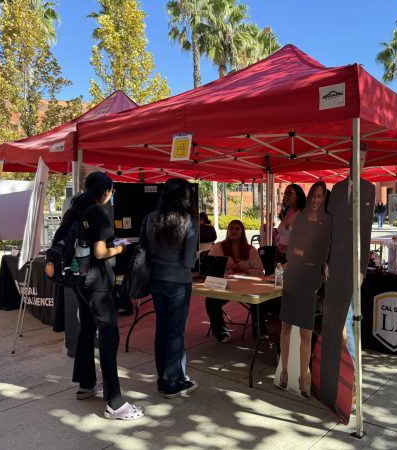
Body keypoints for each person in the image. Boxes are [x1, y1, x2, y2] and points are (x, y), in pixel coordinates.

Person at [57, 172, 143, 420]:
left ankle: (86, 384)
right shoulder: (98, 213)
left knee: (86, 330)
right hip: (99, 284)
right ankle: (115, 404)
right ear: (106, 191)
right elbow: (100, 251)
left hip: (81, 281)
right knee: (109, 338)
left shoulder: (76, 209)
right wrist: (120, 246)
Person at [319, 143, 375, 412]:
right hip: (335, 264)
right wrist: (325, 260)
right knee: (333, 320)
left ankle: (351, 384)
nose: (360, 162)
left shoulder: (369, 189)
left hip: (354, 264)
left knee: (350, 319)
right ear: (349, 159)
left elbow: (365, 232)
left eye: (363, 158)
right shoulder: (337, 190)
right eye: (356, 157)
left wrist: (363, 267)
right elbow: (329, 228)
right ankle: (333, 378)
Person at [143, 178, 198, 398]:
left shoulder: (150, 219)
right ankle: (171, 381)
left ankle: (162, 378)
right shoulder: (188, 222)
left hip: (156, 280)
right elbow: (188, 261)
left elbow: (145, 250)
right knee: (176, 333)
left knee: (162, 329)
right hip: (179, 282)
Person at [278, 181, 332, 398]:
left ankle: (303, 376)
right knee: (286, 326)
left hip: (309, 278)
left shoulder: (327, 221)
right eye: (314, 195)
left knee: (306, 332)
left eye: (321, 196)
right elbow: (290, 248)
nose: (317, 199)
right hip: (293, 276)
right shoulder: (300, 218)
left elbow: (322, 252)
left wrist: (304, 254)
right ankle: (284, 371)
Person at [205, 220, 264, 342]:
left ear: (242, 232)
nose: (234, 231)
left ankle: (260, 332)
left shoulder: (251, 250)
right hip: (225, 286)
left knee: (257, 302)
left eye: (237, 228)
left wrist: (244, 269)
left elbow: (260, 272)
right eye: (231, 228)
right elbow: (208, 267)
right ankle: (221, 332)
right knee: (211, 301)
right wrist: (226, 267)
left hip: (247, 287)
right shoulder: (218, 247)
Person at [276, 184, 306, 263]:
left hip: (293, 256)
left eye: (289, 192)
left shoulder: (302, 213)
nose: (286, 195)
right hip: (280, 254)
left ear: (298, 195)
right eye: (285, 193)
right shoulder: (288, 211)